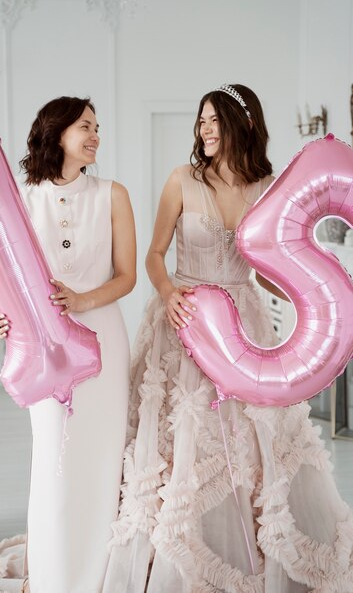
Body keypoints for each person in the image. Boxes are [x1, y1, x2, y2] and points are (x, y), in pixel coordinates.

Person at [102, 84, 353, 593]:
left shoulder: (266, 186)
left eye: (215, 120)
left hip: (246, 323)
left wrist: (314, 293)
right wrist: (169, 292)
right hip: (185, 319)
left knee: (255, 443)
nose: (206, 130)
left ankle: (262, 554)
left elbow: (268, 265)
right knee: (187, 444)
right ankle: (175, 559)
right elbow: (153, 254)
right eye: (201, 121)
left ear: (242, 124)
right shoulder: (181, 180)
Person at [0, 96, 136, 593]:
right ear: (57, 133)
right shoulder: (24, 199)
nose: (95, 135)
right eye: (85, 127)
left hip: (105, 345)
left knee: (103, 460)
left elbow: (128, 277)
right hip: (49, 353)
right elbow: (4, 275)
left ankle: (96, 575)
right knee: (54, 461)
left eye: (98, 127)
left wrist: (81, 299)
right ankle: (52, 575)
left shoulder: (114, 194)